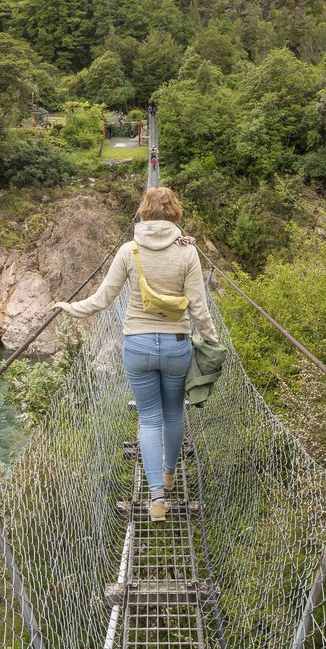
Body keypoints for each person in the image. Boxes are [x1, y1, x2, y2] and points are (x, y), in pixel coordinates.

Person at [53, 186, 219, 522]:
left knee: (149, 419)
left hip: (138, 346)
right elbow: (199, 308)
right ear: (176, 214)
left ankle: (156, 498)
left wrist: (68, 307)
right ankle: (170, 474)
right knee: (174, 414)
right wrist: (213, 342)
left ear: (143, 213)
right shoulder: (187, 252)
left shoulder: (129, 252)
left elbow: (102, 300)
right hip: (176, 344)